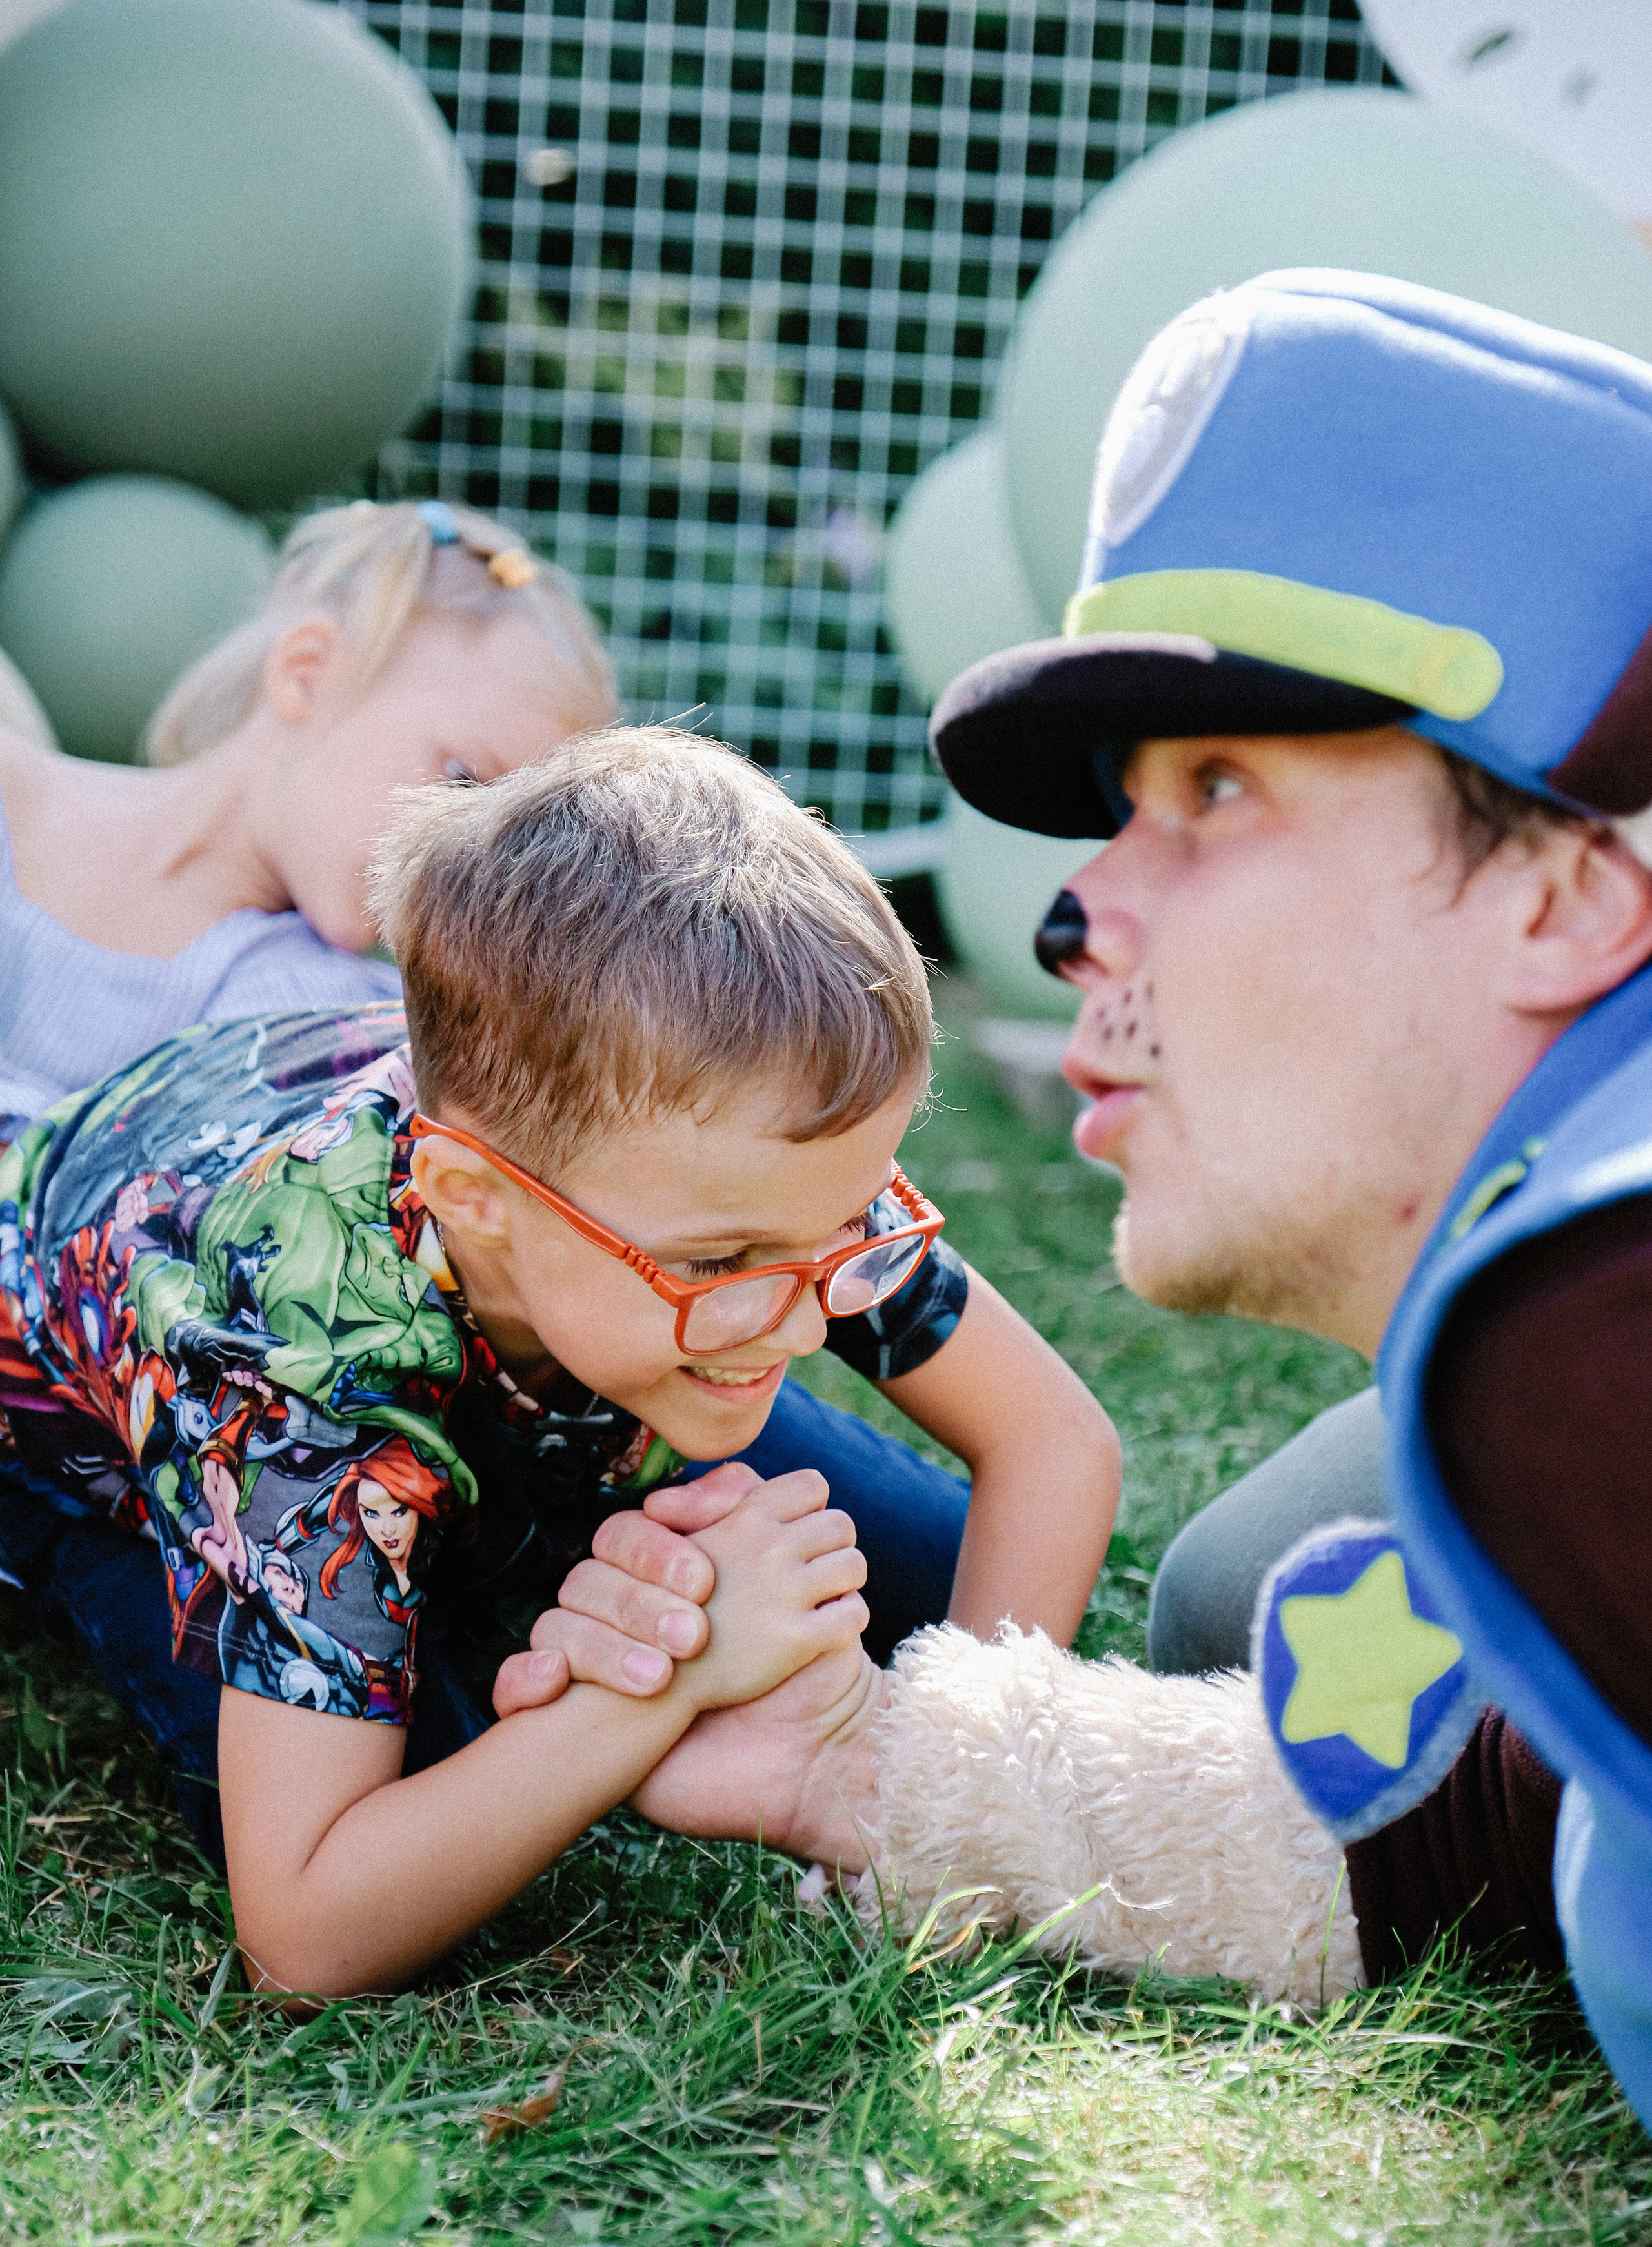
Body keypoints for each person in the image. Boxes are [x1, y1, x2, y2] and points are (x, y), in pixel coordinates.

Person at [512, 272, 1652, 2130]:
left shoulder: (1599, 1314)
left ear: (1565, 899)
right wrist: (877, 1766)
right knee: (1232, 1591)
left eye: (1217, 791)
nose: (1075, 915)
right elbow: (1501, 1808)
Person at [0, 724, 1119, 1997]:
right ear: (477, 1198)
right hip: (91, 1439)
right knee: (429, 1782)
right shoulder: (299, 1341)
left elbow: (1052, 1443)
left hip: (557, 1346)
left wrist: (938, 1784)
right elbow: (305, 1930)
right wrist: (649, 1688)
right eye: (718, 1263)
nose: (808, 1323)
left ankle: (525, 1514)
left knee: (923, 1586)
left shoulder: (741, 1172)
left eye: (841, 1230)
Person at [0, 495, 616, 1133]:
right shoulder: (11, 791)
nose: (467, 868)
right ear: (308, 673)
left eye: (506, 844)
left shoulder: (310, 1013)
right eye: (462, 779)